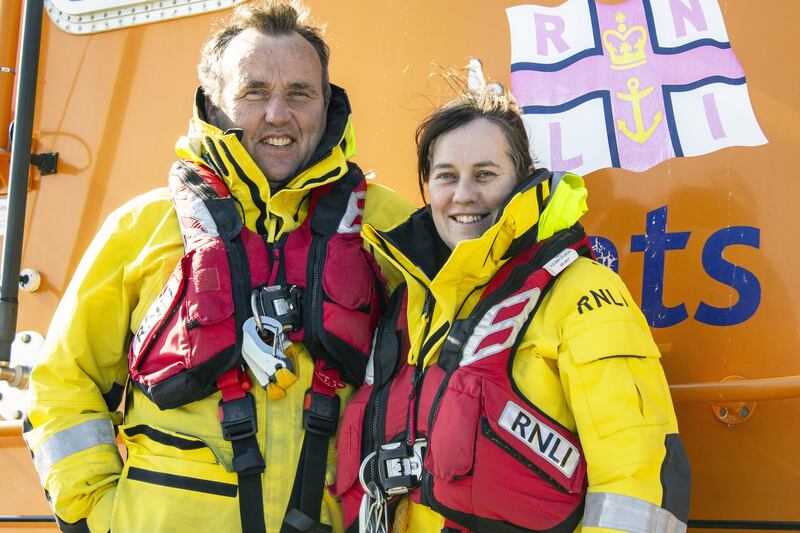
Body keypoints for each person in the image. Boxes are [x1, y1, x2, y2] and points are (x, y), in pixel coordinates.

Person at [22, 2, 412, 532]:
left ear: (328, 104)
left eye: (300, 92)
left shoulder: (392, 228)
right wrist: (92, 512)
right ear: (213, 103)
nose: (278, 114)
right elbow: (63, 383)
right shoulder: (143, 228)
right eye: (254, 92)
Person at [333, 81, 691, 532]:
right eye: (446, 175)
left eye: (485, 174)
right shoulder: (411, 303)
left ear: (522, 179)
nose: (463, 194)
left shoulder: (582, 293)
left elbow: (636, 481)